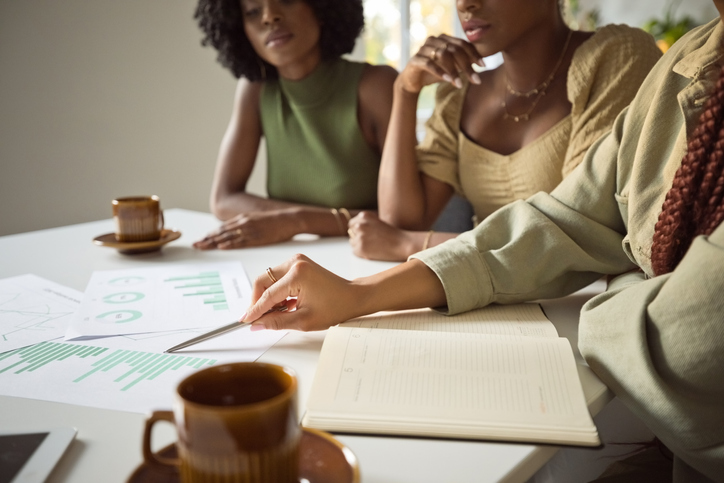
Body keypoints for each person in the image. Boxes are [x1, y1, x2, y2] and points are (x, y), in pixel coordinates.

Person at [242, 4, 724, 481]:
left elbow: (683, 339)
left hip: (641, 396)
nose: (466, 4)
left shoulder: (614, 56)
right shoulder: (689, 57)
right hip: (569, 353)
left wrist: (613, 284)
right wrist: (360, 293)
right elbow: (566, 221)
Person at [346, 0, 661, 261]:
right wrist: (405, 90)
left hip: (585, 304)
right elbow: (400, 221)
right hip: (492, 302)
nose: (464, 4)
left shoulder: (618, 56)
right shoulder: (459, 94)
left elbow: (578, 230)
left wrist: (413, 244)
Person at [192, 0, 396, 249]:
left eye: (286, 0)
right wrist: (296, 222)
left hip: (365, 260)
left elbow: (401, 218)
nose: (269, 17)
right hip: (287, 255)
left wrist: (296, 221)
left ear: (321, 8)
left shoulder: (376, 86)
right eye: (253, 12)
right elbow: (224, 199)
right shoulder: (255, 91)